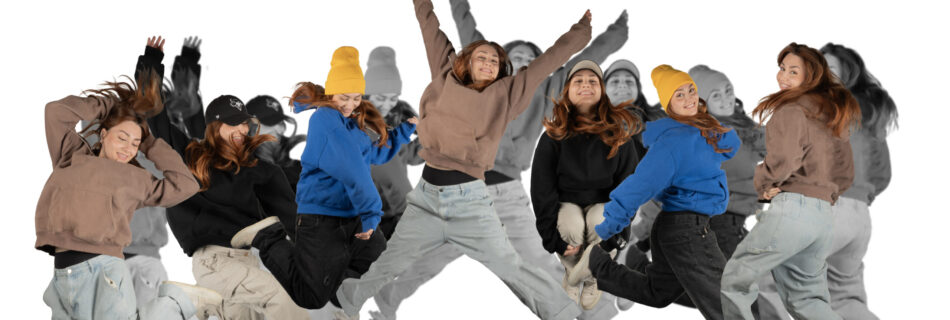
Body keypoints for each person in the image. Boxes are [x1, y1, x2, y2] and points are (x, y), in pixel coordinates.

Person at [333, 1, 592, 319]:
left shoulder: (507, 93)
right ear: (466, 61)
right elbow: (429, 25)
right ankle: (348, 302)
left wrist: (580, 31)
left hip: (469, 201)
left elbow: (550, 60)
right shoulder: (444, 73)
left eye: (495, 60)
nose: (488, 63)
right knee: (393, 261)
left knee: (510, 265)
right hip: (426, 196)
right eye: (481, 57)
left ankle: (563, 314)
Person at [36, 36, 221, 319]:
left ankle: (177, 303)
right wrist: (110, 103)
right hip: (70, 269)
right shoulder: (75, 153)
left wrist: (149, 142)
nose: (128, 146)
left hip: (122, 259)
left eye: (134, 141)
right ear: (104, 132)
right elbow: (57, 112)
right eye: (122, 137)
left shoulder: (141, 170)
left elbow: (187, 180)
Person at [232, 46, 417, 312]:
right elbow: (354, 170)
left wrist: (405, 130)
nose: (351, 105)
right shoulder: (325, 120)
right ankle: (267, 238)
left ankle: (334, 300)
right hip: (322, 217)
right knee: (311, 297)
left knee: (380, 263)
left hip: (348, 215)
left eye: (356, 98)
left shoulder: (351, 121)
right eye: (344, 97)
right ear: (331, 94)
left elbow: (372, 154)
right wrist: (372, 213)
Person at [587, 64, 741, 320]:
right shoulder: (671, 143)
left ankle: (596, 268)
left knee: (658, 293)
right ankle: (595, 258)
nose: (689, 98)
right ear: (668, 104)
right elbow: (638, 186)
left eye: (691, 91)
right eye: (679, 95)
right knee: (726, 302)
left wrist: (704, 119)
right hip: (686, 230)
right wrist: (606, 229)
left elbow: (730, 145)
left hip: (682, 227)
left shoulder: (699, 132)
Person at [720, 42, 860, 320]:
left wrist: (763, 182)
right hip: (822, 218)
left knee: (735, 280)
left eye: (793, 71)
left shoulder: (792, 110)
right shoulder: (832, 116)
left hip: (792, 211)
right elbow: (845, 173)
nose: (783, 77)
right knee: (808, 300)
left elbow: (784, 160)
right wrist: (824, 194)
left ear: (811, 77)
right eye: (782, 69)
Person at [530, 60, 641, 310]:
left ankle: (589, 279)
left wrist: (618, 237)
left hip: (605, 205)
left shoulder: (619, 134)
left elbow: (630, 188)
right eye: (578, 81)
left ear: (601, 91)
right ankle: (573, 268)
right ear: (568, 90)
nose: (586, 85)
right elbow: (541, 189)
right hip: (566, 203)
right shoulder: (554, 136)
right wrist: (552, 239)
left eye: (592, 81)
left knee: (599, 220)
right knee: (572, 223)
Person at [820, 42, 897, 320]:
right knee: (844, 297)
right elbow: (882, 173)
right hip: (859, 219)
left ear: (847, 75)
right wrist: (859, 197)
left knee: (773, 275)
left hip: (827, 210)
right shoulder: (869, 115)